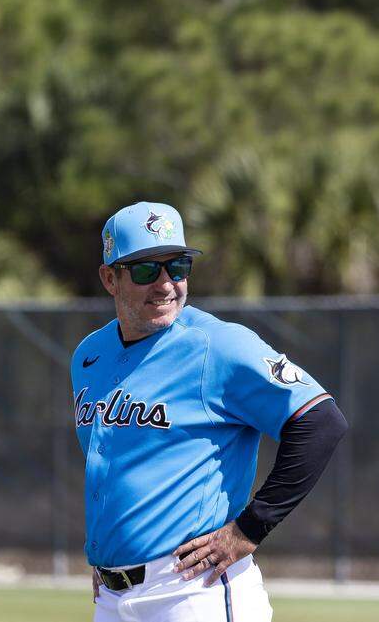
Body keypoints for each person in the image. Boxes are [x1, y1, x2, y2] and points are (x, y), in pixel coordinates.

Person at [70, 201, 348, 622]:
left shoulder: (218, 346)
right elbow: (111, 464)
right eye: (147, 270)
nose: (166, 284)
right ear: (110, 278)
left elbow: (321, 422)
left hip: (192, 591)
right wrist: (110, 554)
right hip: (111, 597)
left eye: (177, 266)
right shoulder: (89, 355)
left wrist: (250, 528)